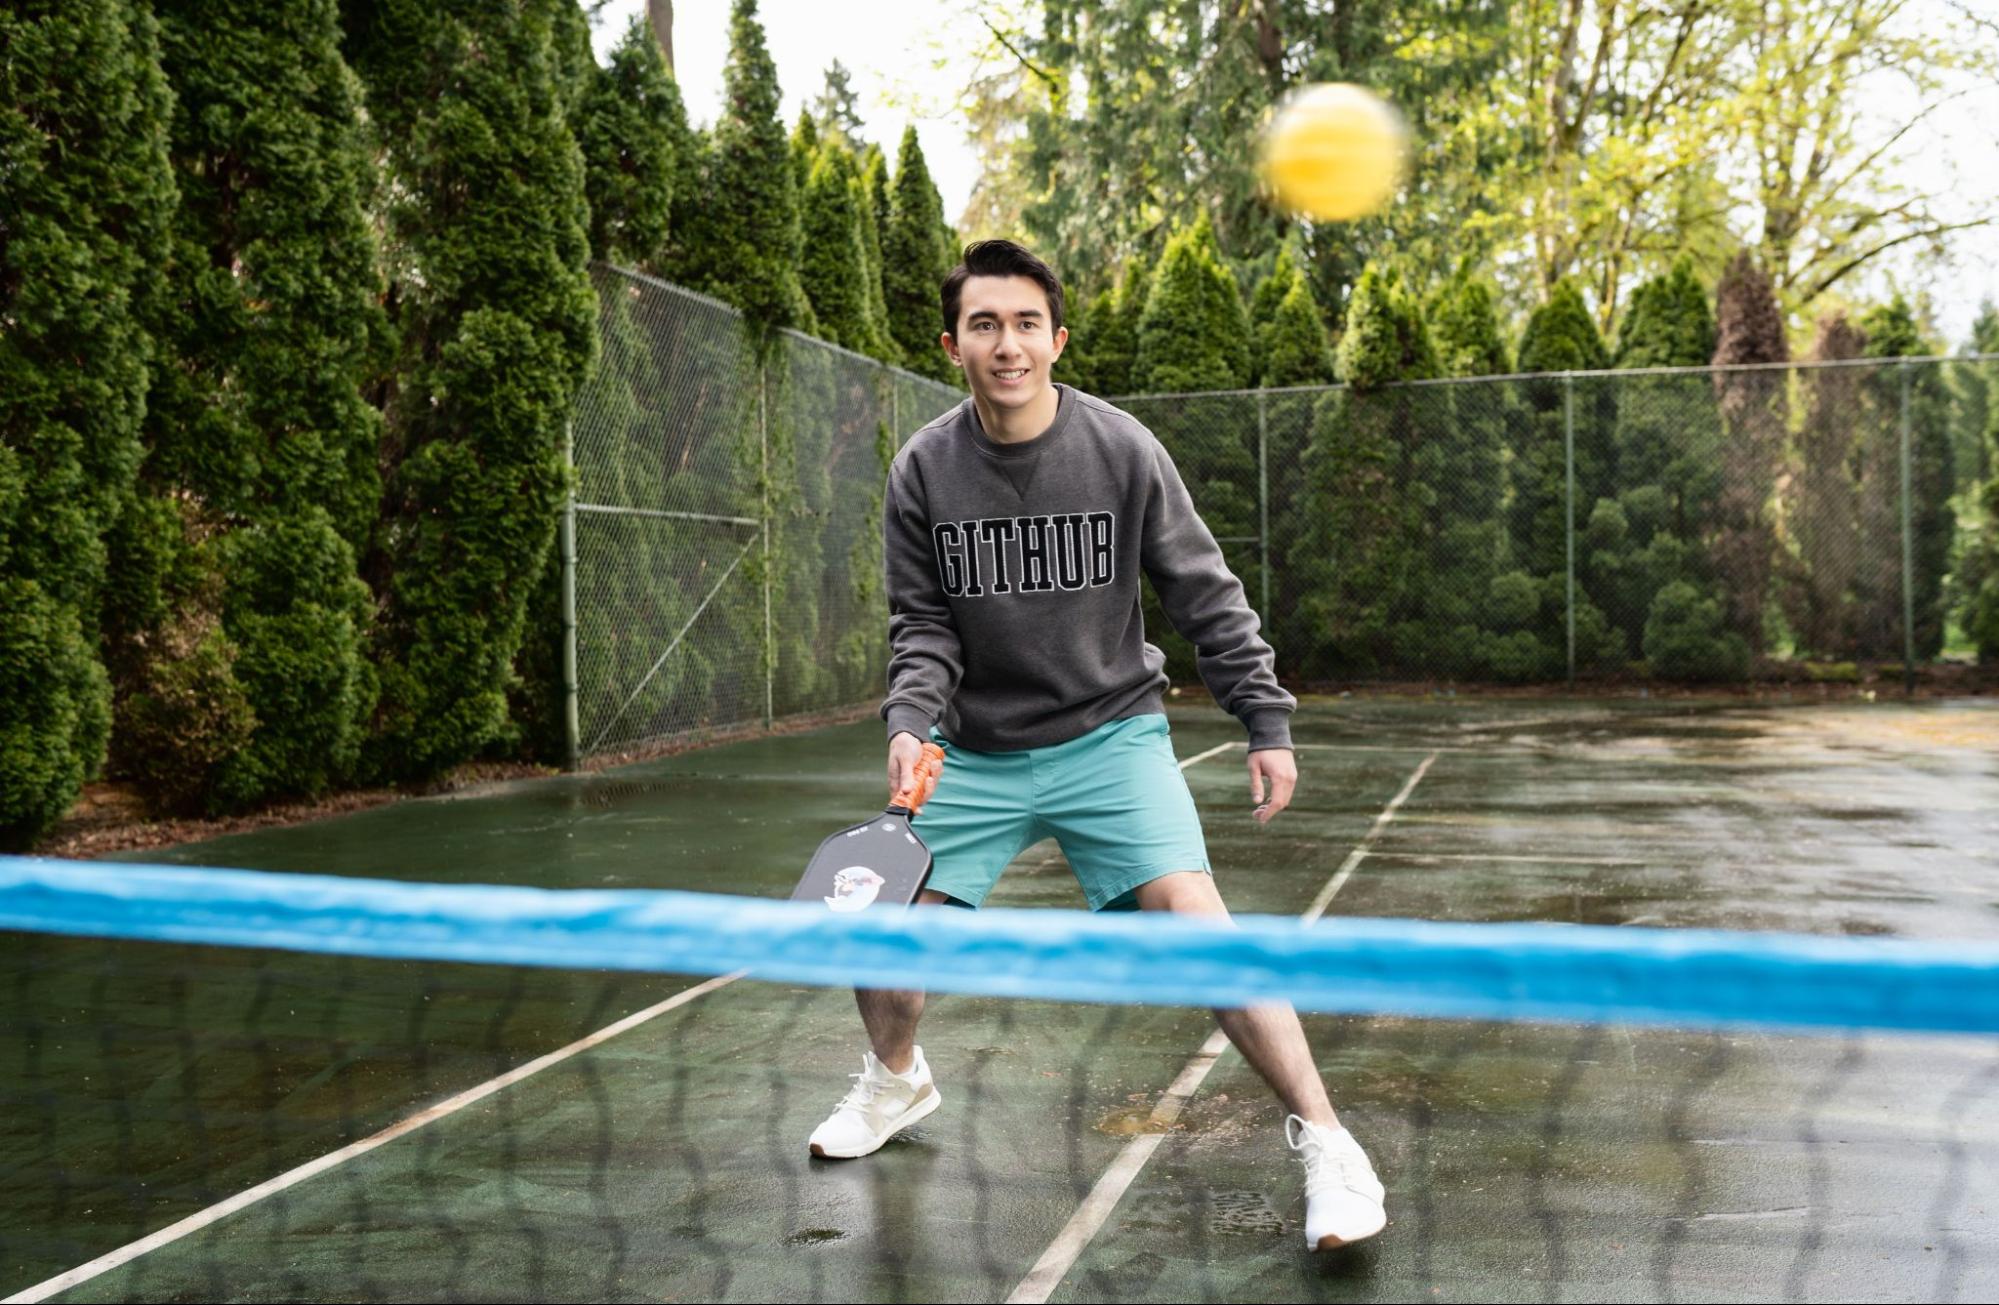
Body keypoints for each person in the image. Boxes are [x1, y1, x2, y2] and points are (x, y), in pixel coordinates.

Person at [806, 239, 1385, 1251]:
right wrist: (908, 725)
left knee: (1201, 933)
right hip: (975, 747)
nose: (1007, 343)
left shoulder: (1121, 450)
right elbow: (923, 629)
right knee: (885, 938)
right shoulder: (923, 471)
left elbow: (1204, 594)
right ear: (953, 344)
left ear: (1057, 338)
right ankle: (896, 1083)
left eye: (1026, 323)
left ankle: (1330, 1145)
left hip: (1111, 736)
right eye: (984, 324)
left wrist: (1264, 717)